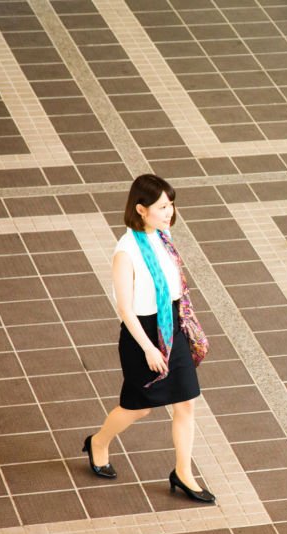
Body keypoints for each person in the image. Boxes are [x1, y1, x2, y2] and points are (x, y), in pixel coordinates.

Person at [83, 174, 215, 504]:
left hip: (172, 327)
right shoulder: (125, 252)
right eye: (161, 207)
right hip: (142, 332)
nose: (169, 212)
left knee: (186, 404)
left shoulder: (163, 236)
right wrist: (149, 348)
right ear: (141, 209)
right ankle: (98, 442)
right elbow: (125, 308)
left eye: (170, 205)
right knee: (138, 408)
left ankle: (183, 473)